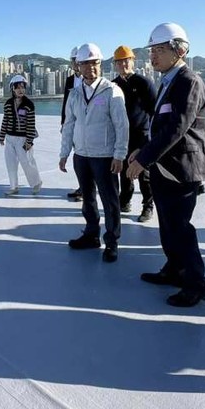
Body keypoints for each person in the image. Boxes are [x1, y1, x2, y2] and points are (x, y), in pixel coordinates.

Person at [127, 23, 205, 307]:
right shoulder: (169, 80)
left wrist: (143, 160)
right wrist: (143, 150)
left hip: (181, 169)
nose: (152, 56)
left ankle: (196, 284)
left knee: (180, 228)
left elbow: (177, 127)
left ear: (179, 50)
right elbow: (161, 126)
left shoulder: (188, 81)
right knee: (167, 226)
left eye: (159, 50)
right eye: (151, 50)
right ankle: (173, 269)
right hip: (164, 167)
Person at [60, 43, 129, 262]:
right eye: (86, 64)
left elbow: (121, 125)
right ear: (78, 67)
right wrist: (64, 153)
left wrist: (119, 154)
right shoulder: (75, 93)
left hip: (104, 155)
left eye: (95, 63)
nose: (91, 68)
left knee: (110, 201)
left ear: (100, 64)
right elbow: (69, 124)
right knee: (88, 199)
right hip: (81, 155)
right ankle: (91, 235)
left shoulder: (111, 90)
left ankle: (112, 242)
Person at [112, 44, 158, 222]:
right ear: (115, 64)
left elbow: (155, 111)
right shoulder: (113, 85)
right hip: (122, 137)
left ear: (132, 61)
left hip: (141, 136)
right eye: (119, 62)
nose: (123, 65)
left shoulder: (144, 83)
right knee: (123, 171)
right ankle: (125, 201)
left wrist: (150, 139)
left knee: (143, 174)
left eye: (126, 61)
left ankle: (148, 206)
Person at [0, 74, 43, 196]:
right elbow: (5, 120)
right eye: (17, 87)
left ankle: (36, 183)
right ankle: (13, 187)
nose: (21, 90)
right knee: (10, 163)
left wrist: (29, 141)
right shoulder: (8, 104)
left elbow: (31, 124)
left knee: (27, 162)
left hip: (23, 139)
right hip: (10, 138)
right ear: (12, 88)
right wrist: (2, 136)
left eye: (23, 87)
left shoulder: (29, 104)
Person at [61, 46, 83, 202]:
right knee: (79, 157)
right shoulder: (70, 79)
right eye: (73, 61)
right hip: (73, 124)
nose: (75, 63)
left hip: (87, 125)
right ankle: (83, 186)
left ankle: (88, 188)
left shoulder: (91, 78)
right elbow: (65, 103)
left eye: (77, 60)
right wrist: (63, 122)